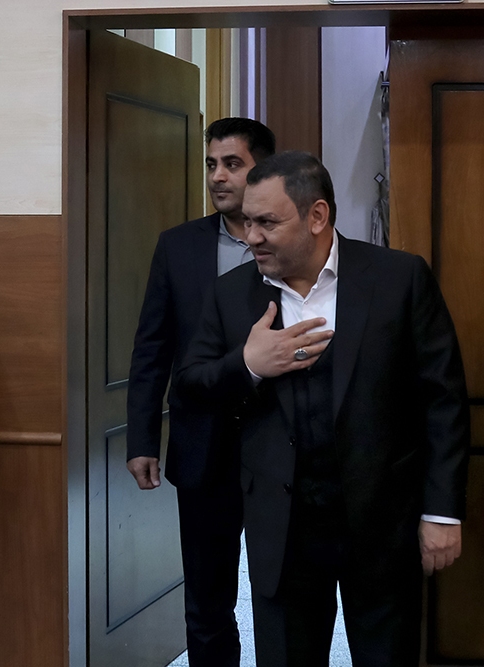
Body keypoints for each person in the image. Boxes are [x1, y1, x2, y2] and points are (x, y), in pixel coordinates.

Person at [175, 151, 468, 667]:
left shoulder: (399, 279)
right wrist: (248, 365)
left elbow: (442, 402)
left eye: (267, 223)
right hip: (281, 529)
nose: (251, 237)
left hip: (381, 524)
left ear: (316, 216)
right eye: (247, 221)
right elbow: (191, 386)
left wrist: (441, 512)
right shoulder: (230, 295)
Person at [126, 117, 275, 666]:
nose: (217, 176)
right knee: (208, 599)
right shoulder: (178, 246)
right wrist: (142, 439)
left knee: (280, 591)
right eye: (211, 164)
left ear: (264, 170)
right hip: (201, 443)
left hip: (279, 444)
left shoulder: (291, 242)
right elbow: (152, 347)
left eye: (232, 164)